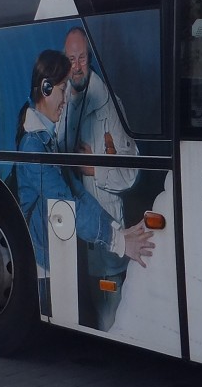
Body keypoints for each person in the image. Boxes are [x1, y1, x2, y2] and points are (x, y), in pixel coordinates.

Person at [14, 48, 152, 322]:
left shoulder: (46, 138)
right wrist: (120, 243)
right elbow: (68, 205)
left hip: (55, 256)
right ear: (46, 88)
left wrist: (118, 231)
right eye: (62, 89)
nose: (66, 99)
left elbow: (76, 191)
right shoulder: (33, 147)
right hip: (44, 265)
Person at [55, 26, 140, 331]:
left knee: (110, 325)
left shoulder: (110, 104)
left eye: (82, 58)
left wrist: (94, 169)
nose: (76, 66)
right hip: (69, 237)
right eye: (71, 59)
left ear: (90, 59)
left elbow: (130, 173)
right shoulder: (60, 104)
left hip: (105, 240)